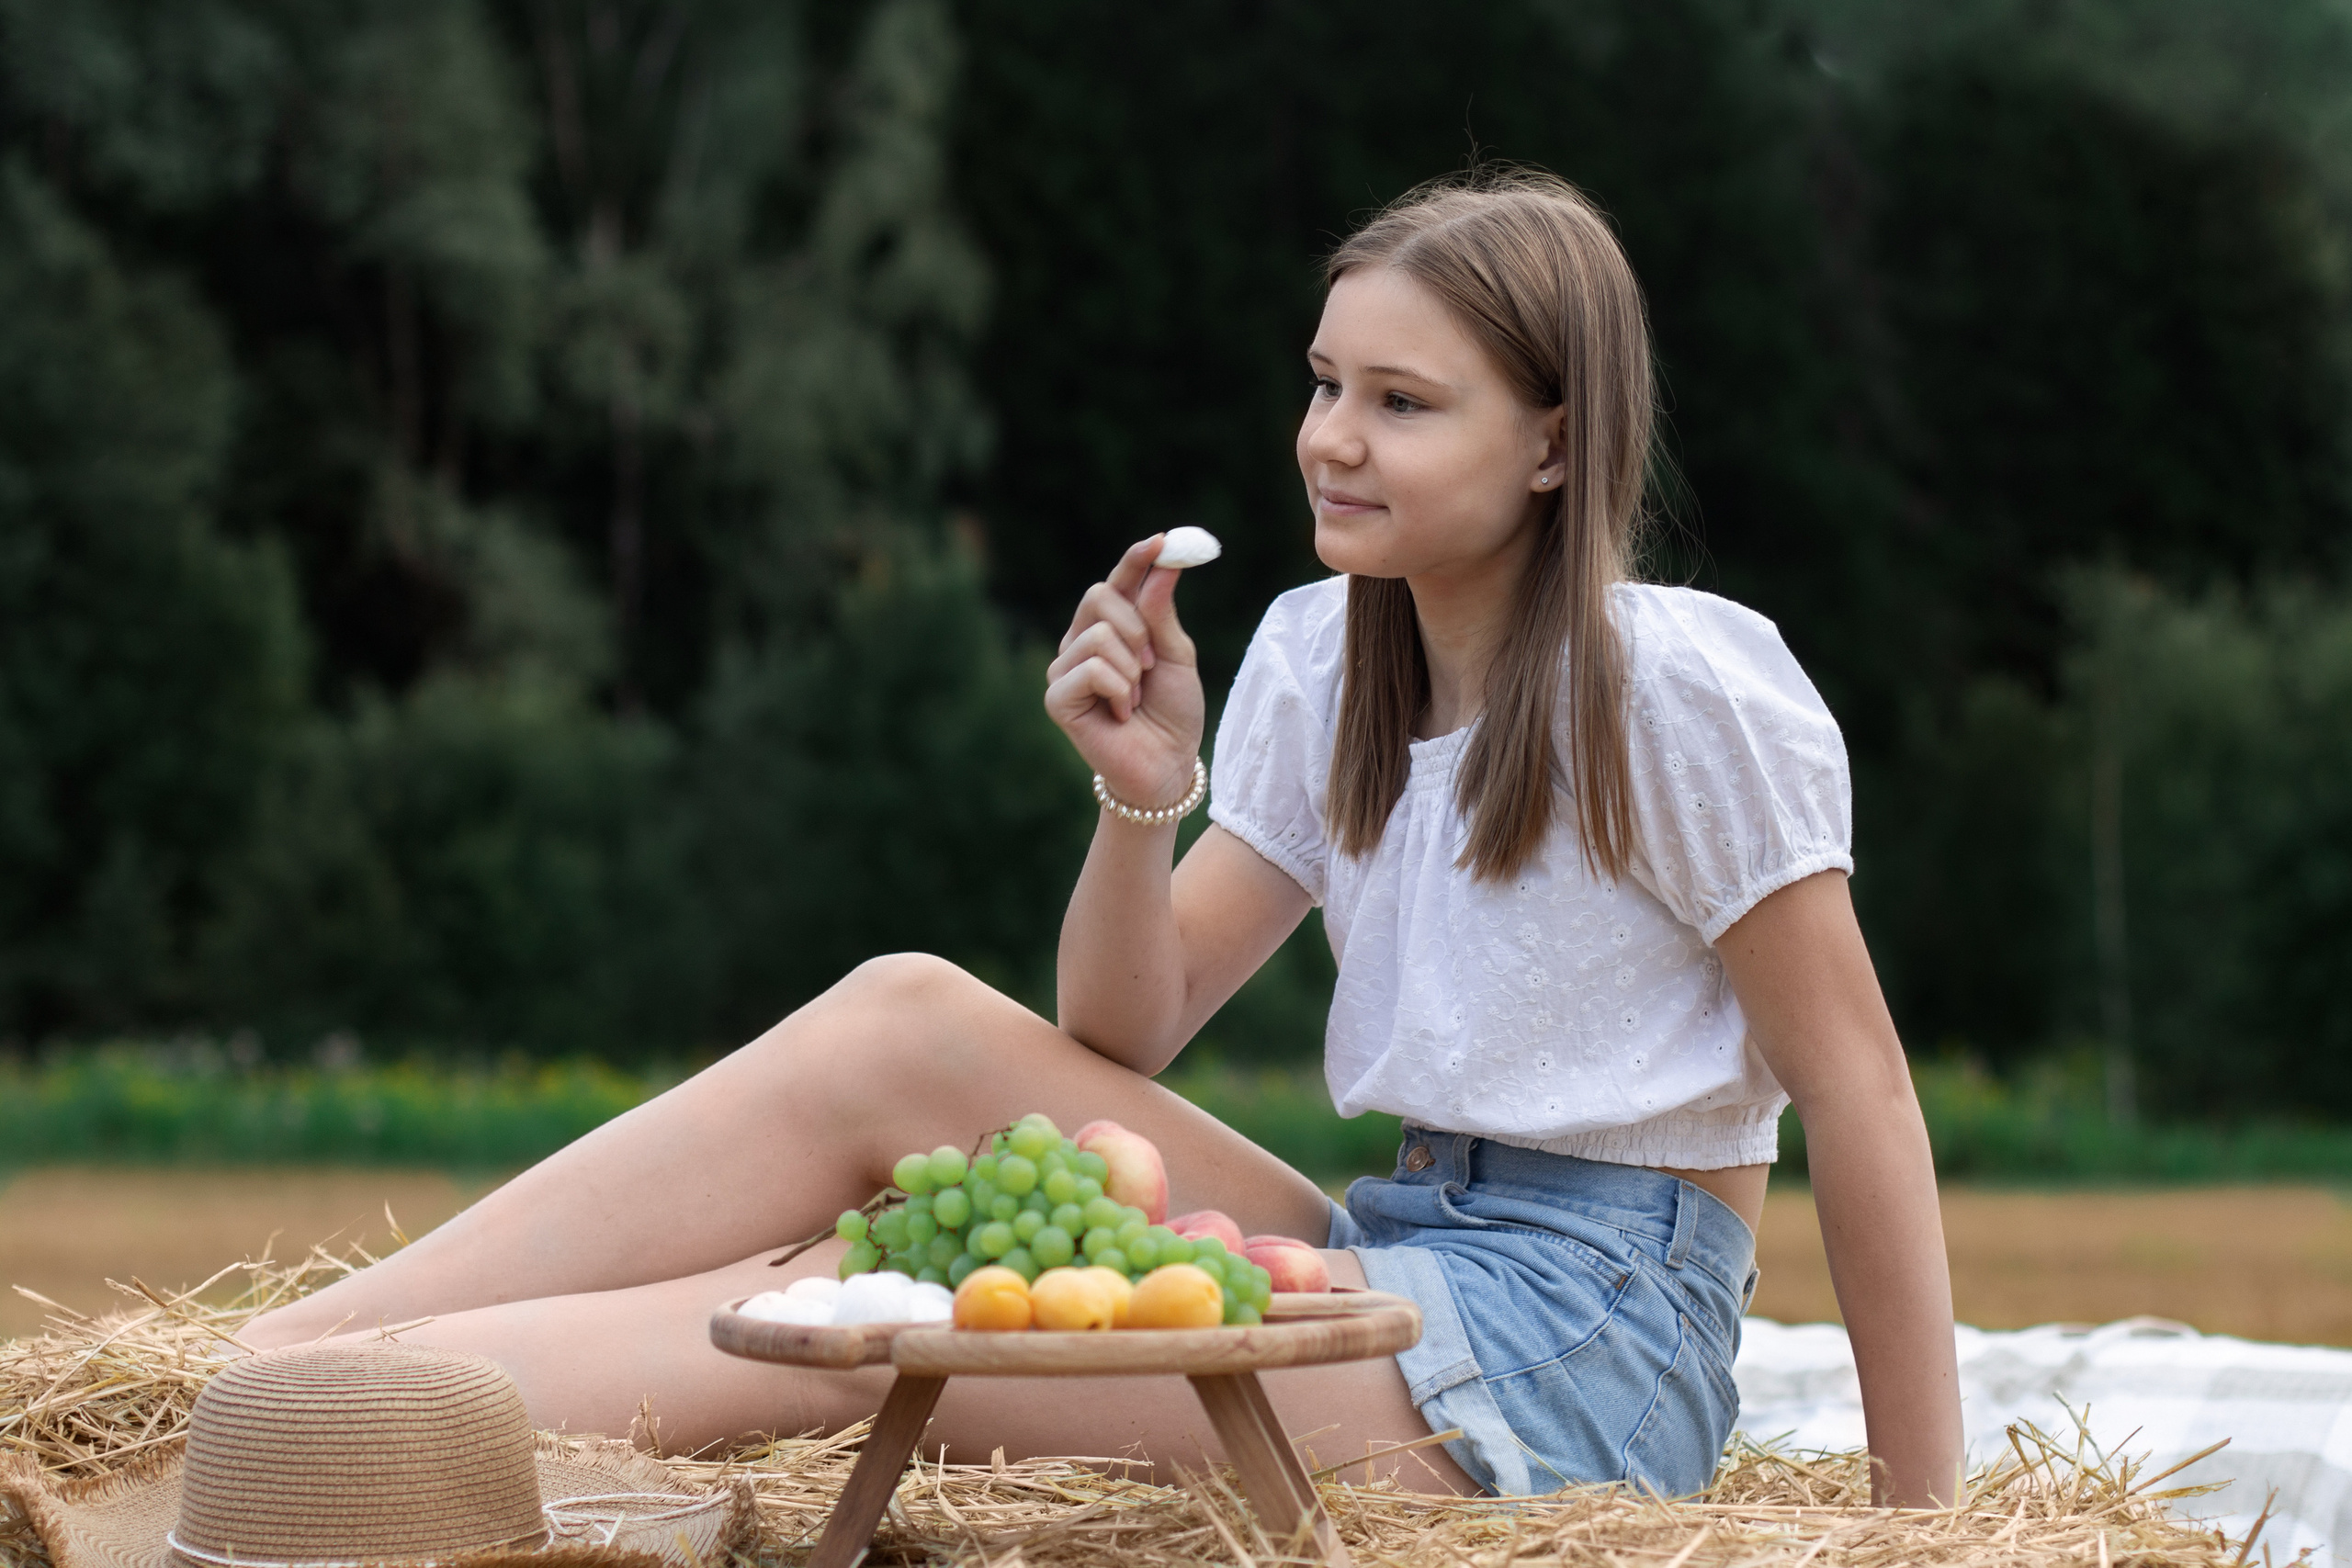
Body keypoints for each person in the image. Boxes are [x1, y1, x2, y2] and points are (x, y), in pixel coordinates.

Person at [245, 170, 1962, 1505]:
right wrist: (1143, 794)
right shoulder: (1321, 658)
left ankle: (304, 1431)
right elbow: (1125, 1037)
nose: (1330, 439)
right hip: (1412, 1245)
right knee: (905, 1020)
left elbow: (1863, 1095)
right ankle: (246, 1368)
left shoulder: (1667, 689)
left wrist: (1926, 1526)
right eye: (1323, 383)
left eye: (1402, 403)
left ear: (1554, 443)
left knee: (877, 1335)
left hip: (1588, 1338)